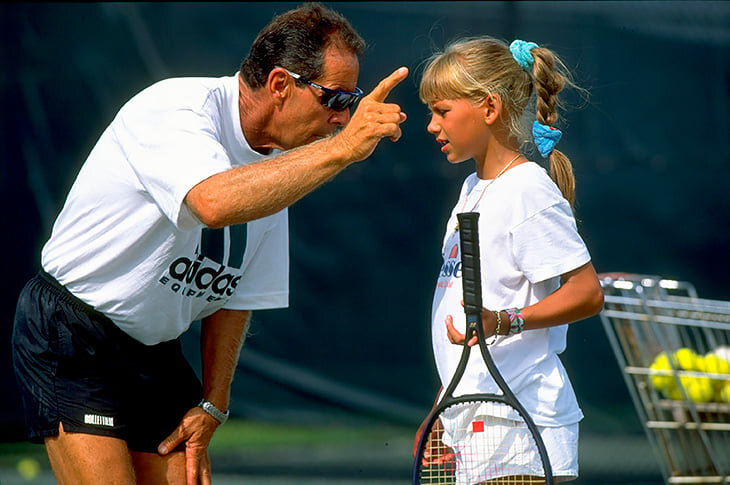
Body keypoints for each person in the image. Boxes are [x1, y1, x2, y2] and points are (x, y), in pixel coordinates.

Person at [12, 3, 408, 484]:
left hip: (153, 350)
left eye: (351, 102)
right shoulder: (175, 108)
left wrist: (213, 404)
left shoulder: (278, 167)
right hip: (73, 333)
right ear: (281, 84)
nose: (341, 119)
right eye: (335, 99)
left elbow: (235, 295)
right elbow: (212, 202)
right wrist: (342, 152)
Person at [413, 37, 604, 483]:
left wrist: (505, 321)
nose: (431, 125)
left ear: (490, 107)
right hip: (476, 423)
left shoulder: (527, 189)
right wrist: (444, 405)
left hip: (520, 425)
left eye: (441, 111)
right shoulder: (472, 190)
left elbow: (587, 293)